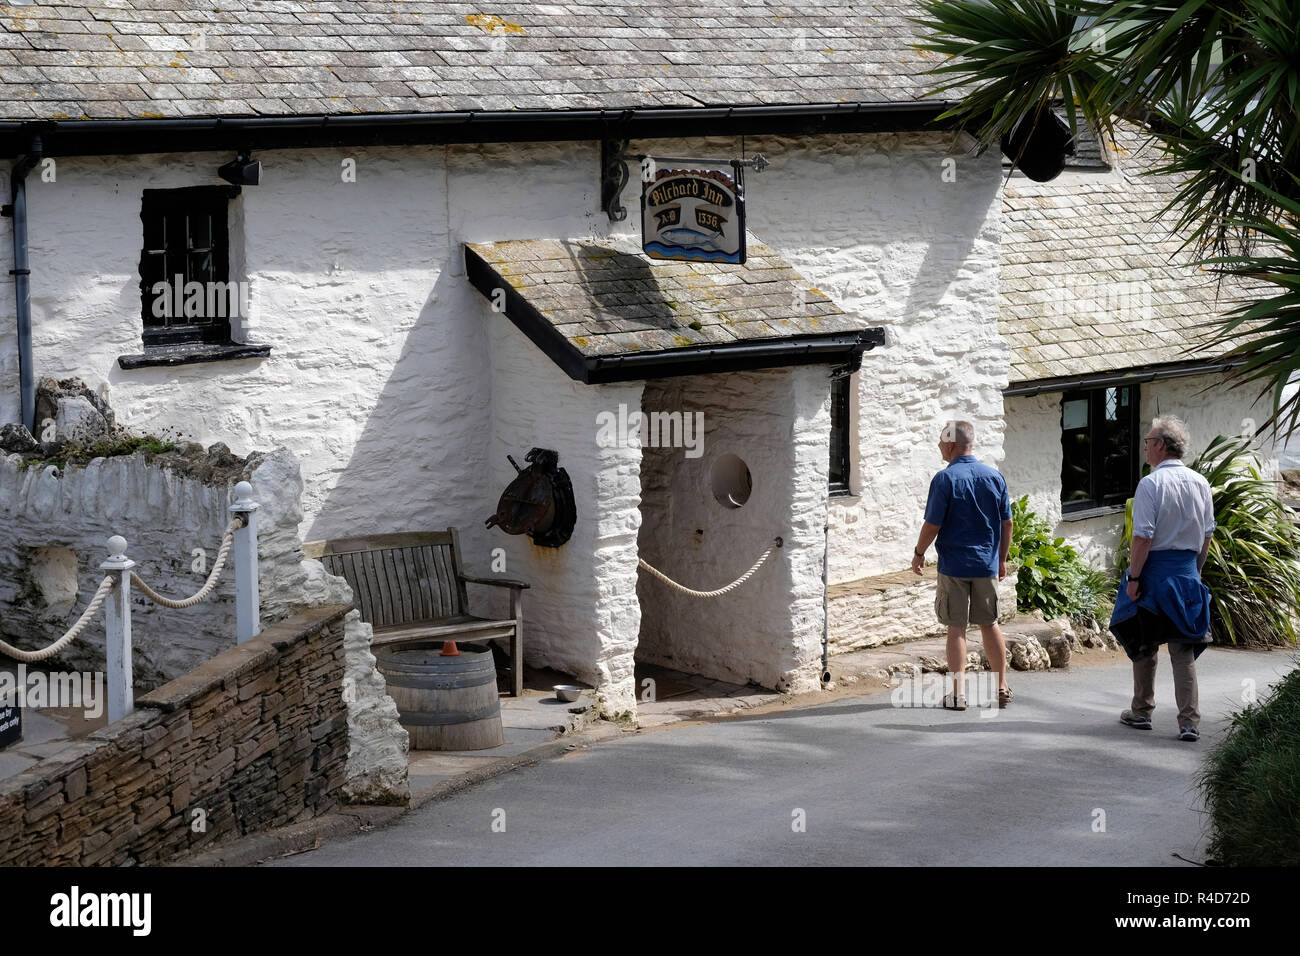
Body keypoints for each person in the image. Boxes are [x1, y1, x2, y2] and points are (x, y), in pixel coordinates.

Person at [1110, 416, 1214, 742]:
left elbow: (1142, 537)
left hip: (1154, 574)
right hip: (1185, 574)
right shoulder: (1201, 482)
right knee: (1182, 650)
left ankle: (1142, 711)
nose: (1144, 446)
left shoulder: (1151, 484)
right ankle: (1189, 722)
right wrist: (1195, 571)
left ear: (1159, 445)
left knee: (1144, 643)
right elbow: (1207, 535)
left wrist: (1134, 577)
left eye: (1147, 440)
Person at [911, 421, 1013, 710]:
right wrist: (1002, 558)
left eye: (942, 442)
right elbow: (1007, 523)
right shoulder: (995, 477)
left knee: (956, 628)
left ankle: (958, 694)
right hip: (985, 565)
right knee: (989, 623)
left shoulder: (945, 479)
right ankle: (1001, 686)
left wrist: (919, 553)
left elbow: (932, 524)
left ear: (951, 444)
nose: (939, 447)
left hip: (954, 565)